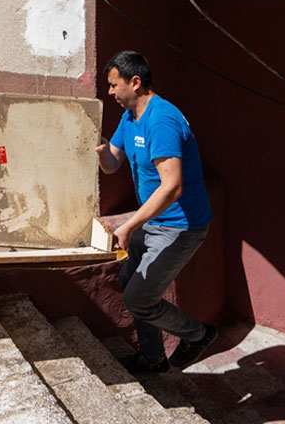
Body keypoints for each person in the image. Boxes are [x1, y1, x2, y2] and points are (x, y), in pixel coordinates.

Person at [95, 50, 218, 373]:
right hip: (154, 222)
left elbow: (172, 186)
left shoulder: (161, 120)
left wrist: (128, 226)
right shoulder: (130, 117)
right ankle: (153, 358)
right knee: (128, 278)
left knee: (138, 298)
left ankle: (198, 334)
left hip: (181, 226)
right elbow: (112, 164)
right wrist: (100, 147)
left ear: (135, 82)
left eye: (113, 85)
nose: (109, 92)